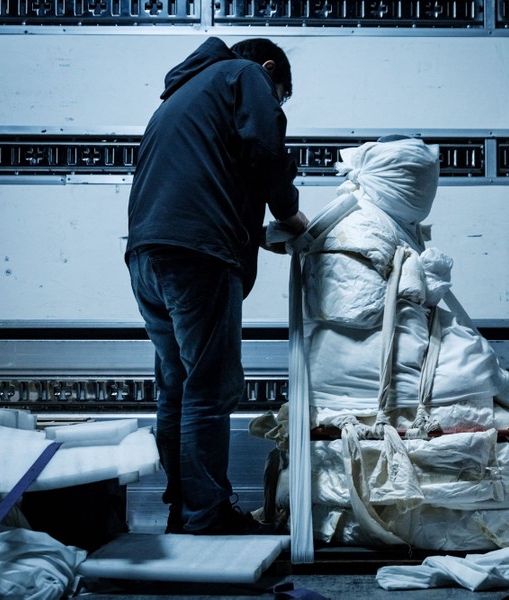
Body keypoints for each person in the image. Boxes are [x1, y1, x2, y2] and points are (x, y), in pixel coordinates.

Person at [125, 36, 308, 535]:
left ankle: (183, 509)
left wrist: (252, 233)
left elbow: (208, 172)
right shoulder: (244, 75)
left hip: (148, 253)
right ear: (269, 69)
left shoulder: (181, 95)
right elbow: (265, 149)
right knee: (210, 387)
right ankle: (206, 515)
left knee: (177, 387)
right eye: (282, 93)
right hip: (198, 253)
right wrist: (291, 216)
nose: (276, 102)